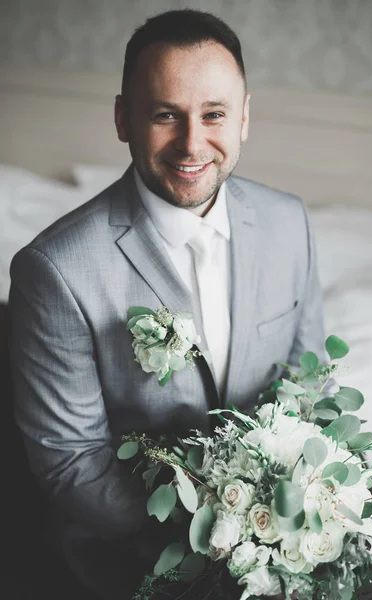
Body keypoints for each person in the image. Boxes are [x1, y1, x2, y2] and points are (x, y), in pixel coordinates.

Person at [9, 9, 325, 600]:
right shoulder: (53, 271)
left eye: (213, 115)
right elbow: (70, 463)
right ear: (123, 119)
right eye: (165, 115)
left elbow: (311, 389)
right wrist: (219, 540)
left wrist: (289, 527)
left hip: (284, 549)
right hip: (124, 563)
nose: (191, 143)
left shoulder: (291, 224)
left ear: (245, 117)